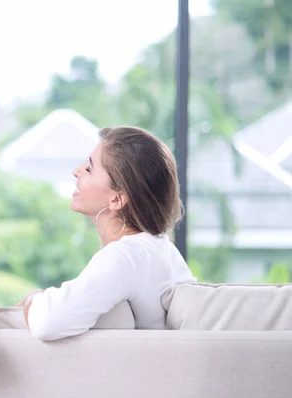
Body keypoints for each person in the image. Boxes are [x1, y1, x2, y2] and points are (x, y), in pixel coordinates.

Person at [16, 126, 196, 340]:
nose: (76, 171)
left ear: (117, 199)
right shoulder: (162, 248)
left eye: (89, 169)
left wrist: (32, 299)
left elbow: (48, 322)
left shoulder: (124, 256)